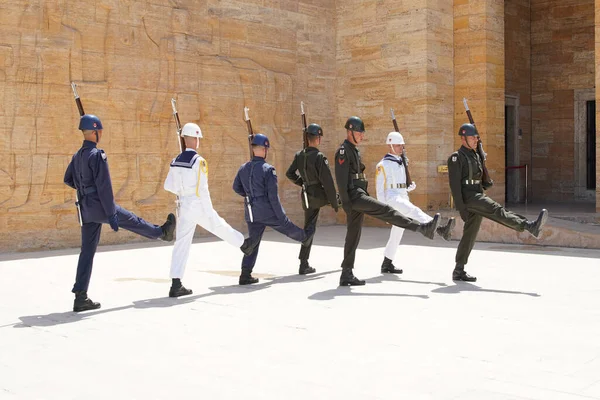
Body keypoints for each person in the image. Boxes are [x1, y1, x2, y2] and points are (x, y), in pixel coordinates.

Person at [64, 114, 176, 312]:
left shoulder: (77, 155)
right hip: (100, 206)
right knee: (133, 220)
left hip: (86, 209)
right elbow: (105, 187)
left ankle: (80, 297)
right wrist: (111, 214)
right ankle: (162, 233)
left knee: (87, 252)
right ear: (95, 132)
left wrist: (84, 189)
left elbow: (68, 179)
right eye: (100, 131)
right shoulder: (97, 155)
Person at [335, 116, 441, 286]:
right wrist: (347, 204)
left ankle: (346, 273)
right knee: (388, 211)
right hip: (354, 196)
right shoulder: (343, 151)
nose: (362, 135)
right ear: (350, 132)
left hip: (358, 193)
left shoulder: (354, 150)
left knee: (353, 235)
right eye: (359, 132)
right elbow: (341, 180)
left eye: (362, 132)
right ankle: (422, 228)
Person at [163, 122, 259, 297]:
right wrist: (209, 211)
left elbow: (168, 185)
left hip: (183, 205)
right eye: (197, 138)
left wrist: (182, 190)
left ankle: (175, 283)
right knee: (218, 225)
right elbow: (203, 189)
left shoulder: (175, 161)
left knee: (181, 243)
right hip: (198, 204)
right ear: (193, 139)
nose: (198, 141)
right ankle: (244, 244)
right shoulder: (198, 161)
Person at [448, 123, 548, 282]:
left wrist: (486, 178)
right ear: (463, 138)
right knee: (497, 210)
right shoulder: (456, 157)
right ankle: (528, 226)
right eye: (472, 137)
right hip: (469, 198)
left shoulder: (475, 155)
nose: (475, 140)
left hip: (477, 193)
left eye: (476, 137)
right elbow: (454, 185)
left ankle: (458, 270)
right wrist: (461, 208)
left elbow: (482, 182)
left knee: (470, 235)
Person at [233, 133, 315, 285]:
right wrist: (281, 215)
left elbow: (236, 187)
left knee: (253, 243)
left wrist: (249, 195)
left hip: (251, 212)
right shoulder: (268, 169)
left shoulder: (243, 168)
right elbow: (273, 197)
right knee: (285, 226)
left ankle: (245, 274)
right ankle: (305, 237)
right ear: (265, 150)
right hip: (266, 210)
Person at [375, 131, 456, 274]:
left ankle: (387, 263)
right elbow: (380, 190)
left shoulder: (401, 162)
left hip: (402, 196)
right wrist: (383, 212)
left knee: (397, 231)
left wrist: (408, 187)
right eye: (399, 145)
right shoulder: (382, 165)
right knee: (414, 210)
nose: (402, 148)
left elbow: (401, 183)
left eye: (402, 145)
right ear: (391, 145)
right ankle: (438, 228)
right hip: (391, 199)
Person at [285, 123, 339, 275]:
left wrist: (302, 182)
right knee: (347, 204)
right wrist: (334, 202)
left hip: (307, 196)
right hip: (320, 195)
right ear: (318, 139)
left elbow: (290, 173)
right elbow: (327, 182)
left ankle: (304, 263)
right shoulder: (319, 157)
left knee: (309, 226)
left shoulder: (299, 155)